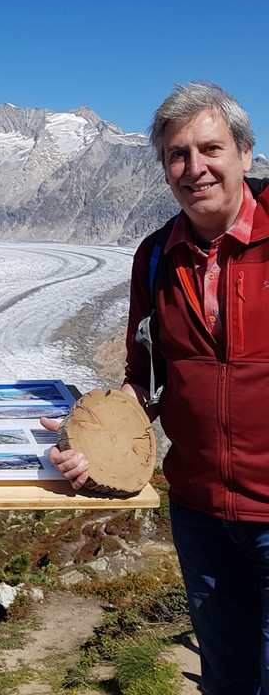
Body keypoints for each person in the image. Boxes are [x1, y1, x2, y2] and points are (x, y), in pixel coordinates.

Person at [42, 81, 269, 695]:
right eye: (177, 155)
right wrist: (89, 436)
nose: (195, 168)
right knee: (226, 680)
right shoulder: (154, 258)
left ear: (246, 154)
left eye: (210, 149)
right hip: (199, 512)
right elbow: (141, 385)